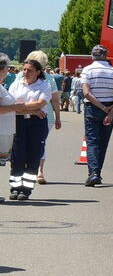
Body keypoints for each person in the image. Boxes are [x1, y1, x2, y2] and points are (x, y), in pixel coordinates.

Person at [7, 59, 52, 200]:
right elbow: (11, 105)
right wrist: (30, 110)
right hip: (18, 122)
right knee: (17, 157)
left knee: (33, 157)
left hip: (37, 124)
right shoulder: (16, 84)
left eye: (30, 70)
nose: (26, 72)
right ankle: (15, 187)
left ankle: (26, 190)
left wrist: (20, 106)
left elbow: (40, 103)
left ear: (38, 72)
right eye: (24, 69)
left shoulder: (44, 86)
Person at [80, 44, 113, 187]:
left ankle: (93, 173)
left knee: (92, 141)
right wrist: (110, 111)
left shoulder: (87, 70)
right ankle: (97, 172)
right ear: (106, 56)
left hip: (93, 107)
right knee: (103, 143)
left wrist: (101, 107)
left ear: (92, 56)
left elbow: (86, 93)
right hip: (110, 106)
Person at [26, 51, 61, 185]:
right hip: (46, 116)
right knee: (41, 143)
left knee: (24, 143)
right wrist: (58, 117)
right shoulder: (49, 77)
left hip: (23, 113)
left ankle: (26, 169)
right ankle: (39, 171)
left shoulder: (21, 75)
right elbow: (55, 100)